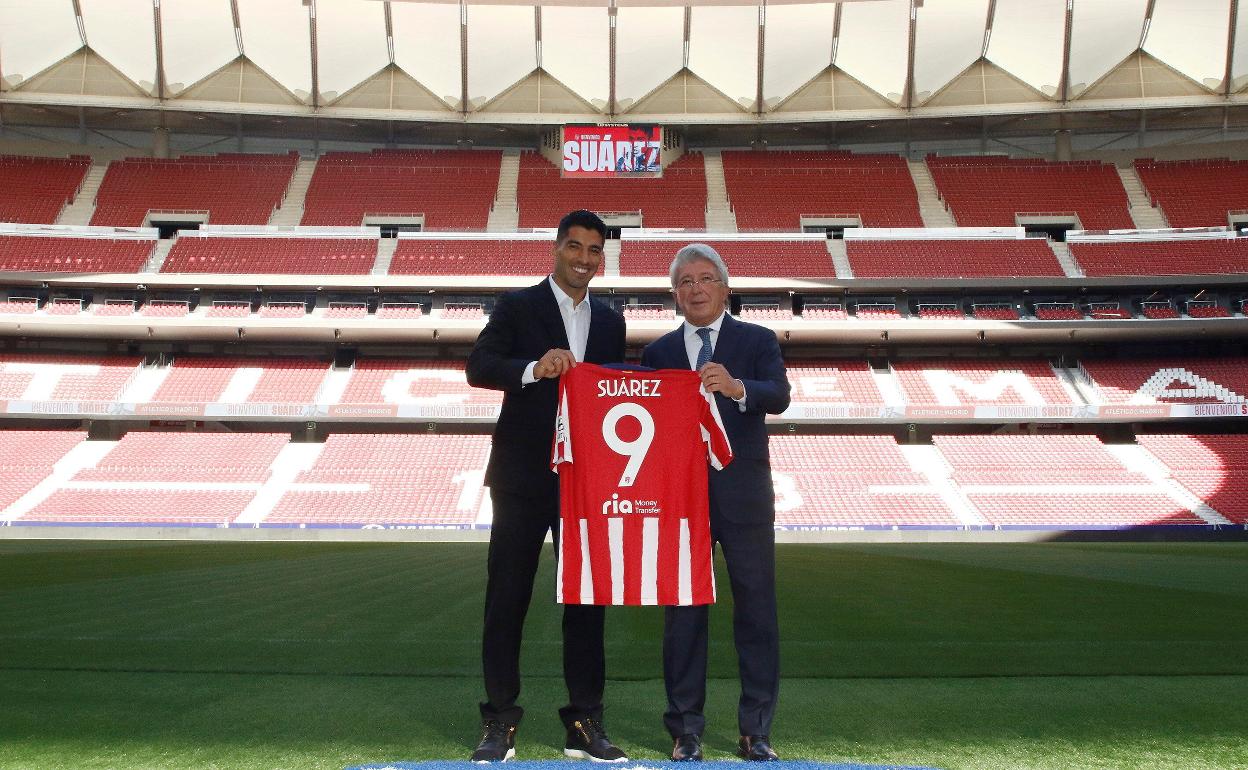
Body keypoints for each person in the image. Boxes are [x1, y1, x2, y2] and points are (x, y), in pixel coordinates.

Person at [465, 210, 628, 763]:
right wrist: (534, 367)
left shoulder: (611, 321)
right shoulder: (517, 305)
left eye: (594, 250)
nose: (584, 259)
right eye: (575, 247)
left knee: (587, 601)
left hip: (586, 480)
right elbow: (480, 366)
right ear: (556, 248)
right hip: (522, 477)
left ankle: (584, 720)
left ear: (602, 258)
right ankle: (498, 720)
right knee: (506, 598)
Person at [640, 243, 791, 763]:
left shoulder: (757, 339)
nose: (696, 288)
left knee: (757, 613)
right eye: (685, 282)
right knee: (683, 616)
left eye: (706, 279)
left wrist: (736, 386)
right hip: (681, 499)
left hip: (744, 497)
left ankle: (757, 730)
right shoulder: (657, 354)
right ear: (675, 295)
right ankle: (685, 729)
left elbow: (779, 395)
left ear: (725, 288)